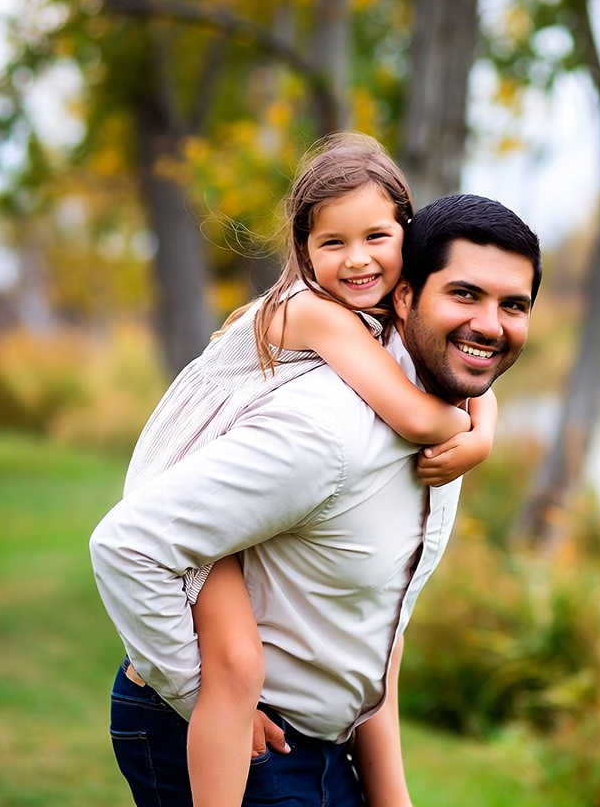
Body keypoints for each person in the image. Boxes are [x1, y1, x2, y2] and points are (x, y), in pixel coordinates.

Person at [90, 184, 541, 807]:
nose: (488, 324)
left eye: (512, 305)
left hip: (325, 749)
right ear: (404, 296)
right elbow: (127, 545)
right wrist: (198, 695)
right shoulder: (328, 431)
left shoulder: (447, 417)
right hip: (240, 735)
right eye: (464, 294)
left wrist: (391, 795)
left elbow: (378, 619)